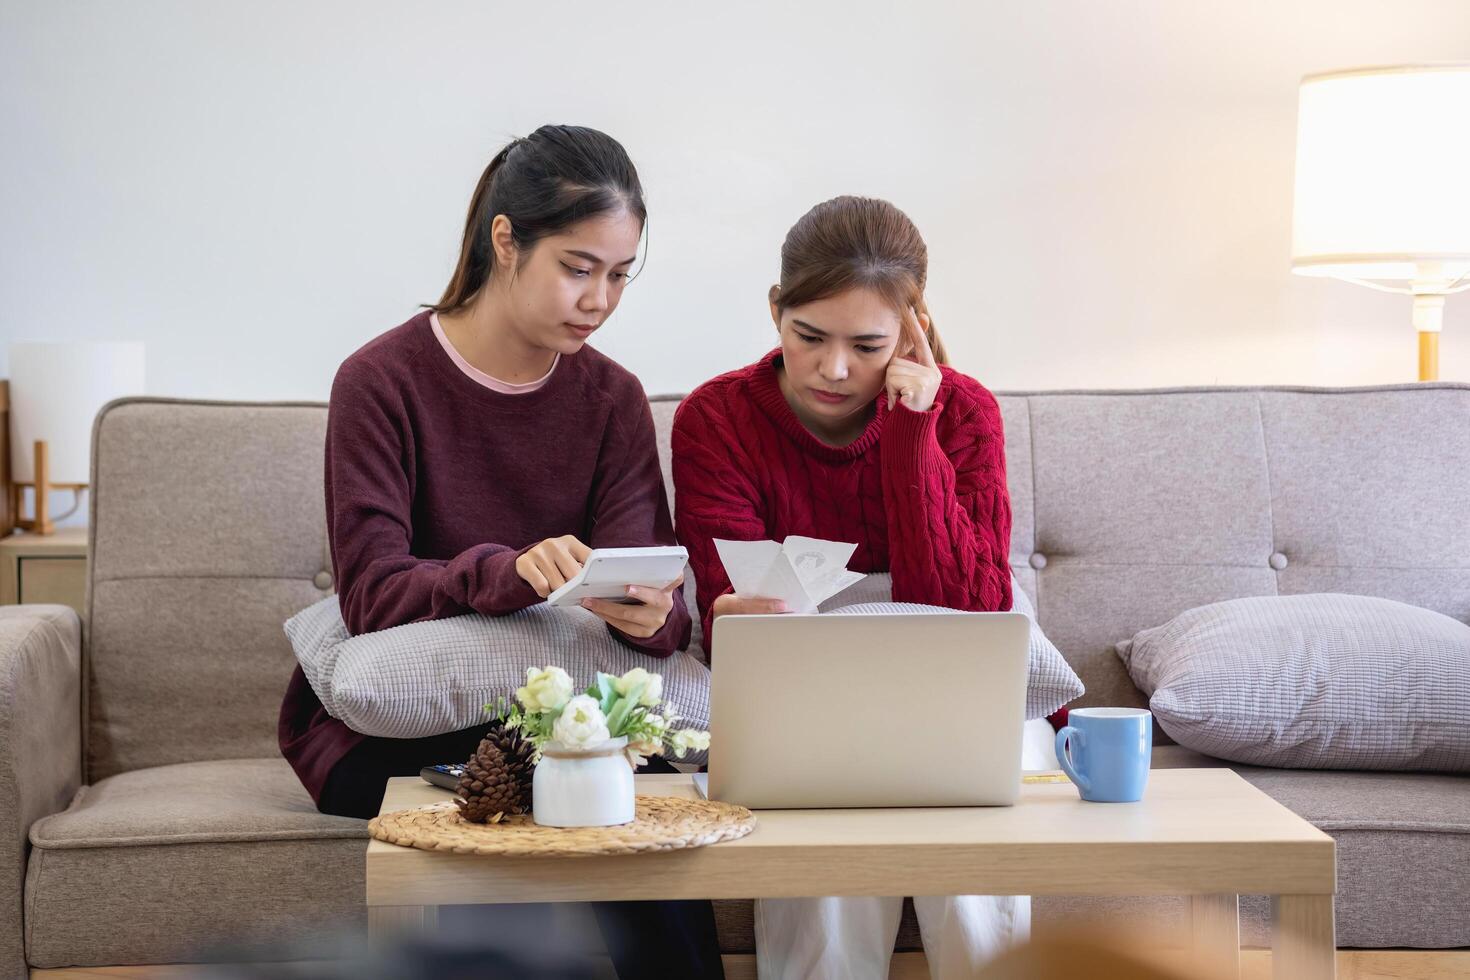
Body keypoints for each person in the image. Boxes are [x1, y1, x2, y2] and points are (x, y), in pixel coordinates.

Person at [278, 124, 722, 979]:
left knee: (617, 786)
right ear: (506, 240)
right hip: (402, 731)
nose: (599, 299)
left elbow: (659, 619)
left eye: (621, 275)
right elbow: (370, 594)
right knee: (570, 780)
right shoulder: (381, 381)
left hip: (577, 718)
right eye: (578, 267)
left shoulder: (613, 399)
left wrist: (651, 614)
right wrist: (505, 571)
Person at [671, 195, 1028, 979]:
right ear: (776, 311)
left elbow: (968, 611)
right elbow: (725, 619)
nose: (835, 369)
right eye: (810, 337)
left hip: (955, 690)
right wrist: (733, 616)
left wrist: (912, 427)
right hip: (805, 698)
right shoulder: (718, 419)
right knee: (821, 871)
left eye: (867, 345)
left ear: (912, 329)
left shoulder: (964, 411)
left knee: (971, 871)